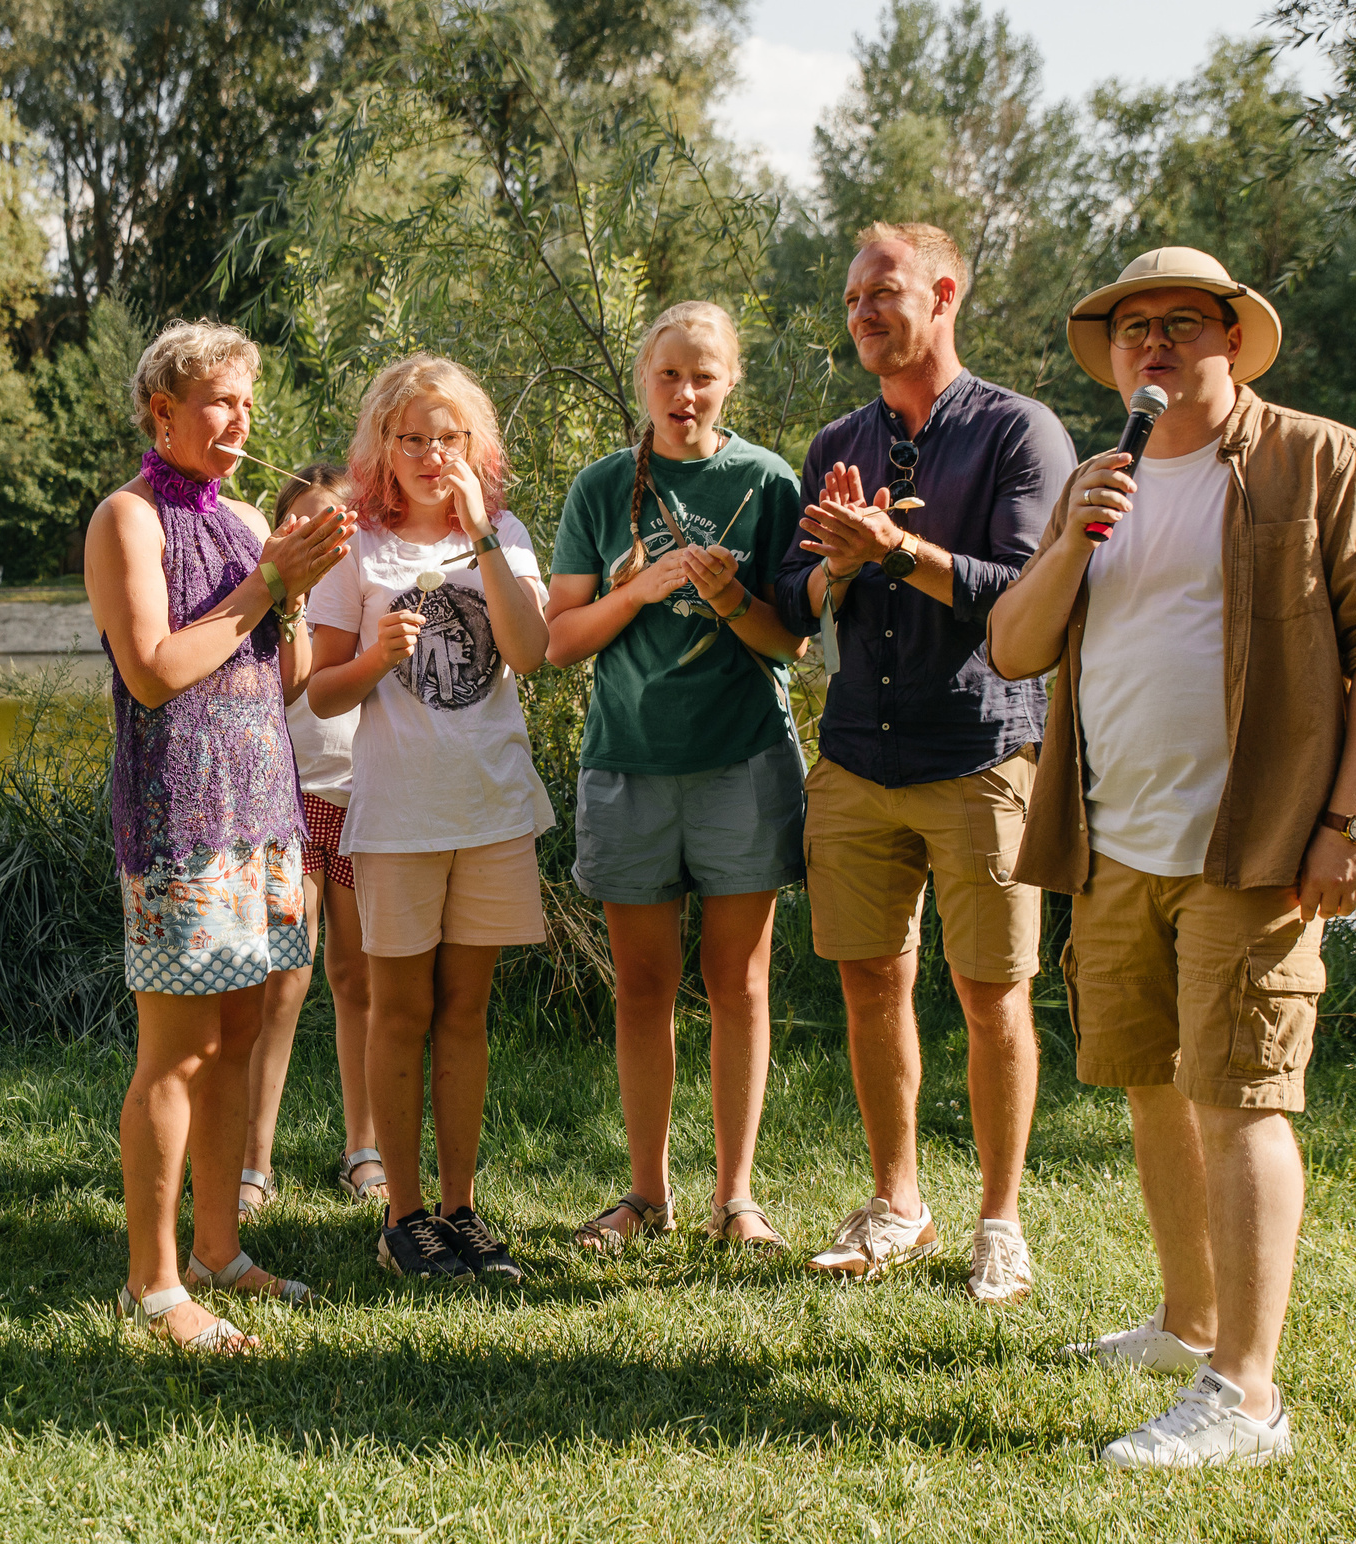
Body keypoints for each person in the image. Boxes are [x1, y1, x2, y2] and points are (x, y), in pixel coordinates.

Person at [990, 245, 1356, 1468]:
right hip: (1118, 843)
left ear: (1230, 340)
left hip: (1258, 842)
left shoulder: (1319, 458)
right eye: (1134, 327)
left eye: (1183, 323)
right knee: (1151, 1083)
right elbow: (1015, 647)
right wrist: (1072, 539)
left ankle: (1245, 1397)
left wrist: (1355, 818)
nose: (1155, 343)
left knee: (1241, 1096)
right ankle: (1189, 1325)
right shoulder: (1104, 481)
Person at [772, 222, 1077, 1301]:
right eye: (851, 298)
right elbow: (795, 605)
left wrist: (894, 546)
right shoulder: (832, 442)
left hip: (981, 751)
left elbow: (1031, 595)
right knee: (869, 983)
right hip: (857, 756)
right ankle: (897, 1205)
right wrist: (840, 569)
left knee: (992, 992)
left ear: (942, 294)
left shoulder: (1018, 434)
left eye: (882, 292)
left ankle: (1000, 1222)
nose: (860, 312)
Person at [86, 319, 359, 1351]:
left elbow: (279, 681)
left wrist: (307, 585)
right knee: (179, 1050)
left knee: (240, 1036)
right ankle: (153, 1285)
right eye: (219, 402)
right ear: (164, 411)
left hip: (264, 811)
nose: (241, 421)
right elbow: (155, 668)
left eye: (249, 402)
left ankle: (217, 1248)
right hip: (179, 816)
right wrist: (265, 588)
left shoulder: (248, 517)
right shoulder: (128, 520)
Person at [541, 301, 809, 1252]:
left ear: (730, 379)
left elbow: (791, 638)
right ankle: (645, 1193)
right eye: (668, 375)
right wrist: (642, 587)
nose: (685, 393)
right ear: (645, 381)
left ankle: (735, 1199)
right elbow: (557, 640)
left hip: (744, 761)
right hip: (629, 764)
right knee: (644, 984)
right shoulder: (604, 487)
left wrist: (732, 596)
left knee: (738, 982)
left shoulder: (771, 483)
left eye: (703, 375)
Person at [308, 354, 553, 1283]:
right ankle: (402, 1216)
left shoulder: (508, 533)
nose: (427, 454)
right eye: (408, 437)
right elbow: (324, 692)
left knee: (466, 1013)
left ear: (472, 446)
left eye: (445, 438)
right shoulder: (356, 547)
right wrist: (376, 657)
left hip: (490, 809)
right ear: (381, 445)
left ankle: (461, 1208)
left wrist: (484, 533)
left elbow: (529, 654)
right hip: (398, 817)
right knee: (398, 1011)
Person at [238, 463, 384, 1218]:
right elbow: (274, 684)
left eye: (343, 519)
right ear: (284, 526)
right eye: (311, 520)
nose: (331, 532)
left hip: (360, 799)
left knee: (357, 976)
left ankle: (365, 1149)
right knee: (281, 985)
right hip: (286, 800)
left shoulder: (373, 586)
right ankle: (252, 1162)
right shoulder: (268, 596)